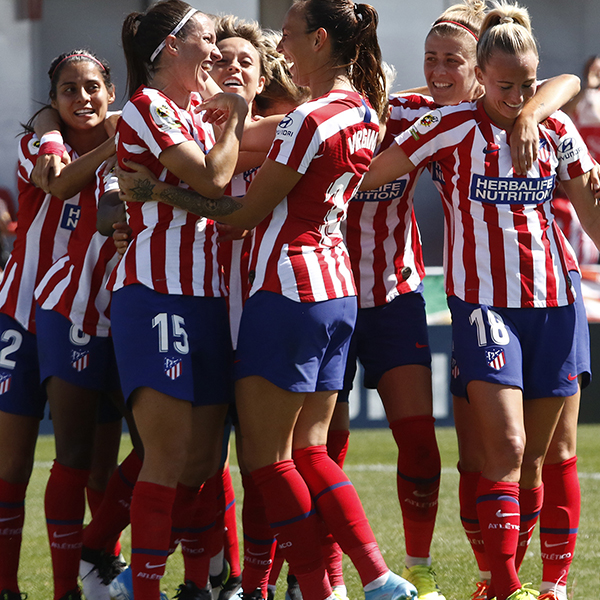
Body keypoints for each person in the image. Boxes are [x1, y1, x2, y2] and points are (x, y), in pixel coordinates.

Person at [118, 2, 418, 600]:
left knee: (266, 458)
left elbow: (238, 209)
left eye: (288, 32)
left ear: (321, 39)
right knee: (303, 450)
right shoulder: (359, 111)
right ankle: (368, 578)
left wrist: (155, 193)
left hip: (286, 288)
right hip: (336, 290)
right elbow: (242, 146)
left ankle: (321, 586)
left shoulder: (308, 120)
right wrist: (230, 114)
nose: (280, 42)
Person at [358, 2, 599, 599]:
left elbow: (590, 212)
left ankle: (553, 586)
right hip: (484, 307)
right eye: (504, 86)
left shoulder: (556, 127)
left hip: (557, 300)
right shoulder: (446, 126)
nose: (516, 98)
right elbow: (370, 173)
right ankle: (507, 583)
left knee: (544, 459)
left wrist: (537, 114)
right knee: (506, 448)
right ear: (481, 79)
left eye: (526, 86)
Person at [108, 2, 248, 599]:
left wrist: (162, 190)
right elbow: (217, 182)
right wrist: (237, 120)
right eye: (208, 40)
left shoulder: (198, 105)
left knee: (203, 462)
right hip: (155, 294)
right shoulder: (147, 106)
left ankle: (197, 586)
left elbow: (225, 203)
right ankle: (141, 589)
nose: (217, 51)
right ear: (170, 46)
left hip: (207, 298)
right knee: (166, 457)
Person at [0, 49, 120, 600]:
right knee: (11, 463)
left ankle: (79, 584)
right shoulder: (38, 145)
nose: (82, 97)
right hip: (20, 314)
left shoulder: (135, 147)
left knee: (89, 459)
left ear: (111, 92)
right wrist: (111, 141)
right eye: (68, 90)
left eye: (92, 86)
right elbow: (57, 185)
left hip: (88, 315)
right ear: (52, 101)